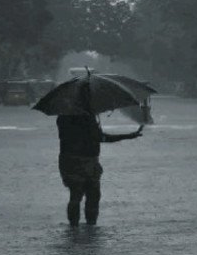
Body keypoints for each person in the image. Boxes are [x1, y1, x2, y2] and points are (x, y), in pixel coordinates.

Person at [56, 90, 142, 226]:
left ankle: (73, 226)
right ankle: (90, 224)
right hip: (87, 160)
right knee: (92, 194)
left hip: (68, 160)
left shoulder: (63, 117)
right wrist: (128, 135)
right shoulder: (86, 117)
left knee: (75, 194)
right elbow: (100, 137)